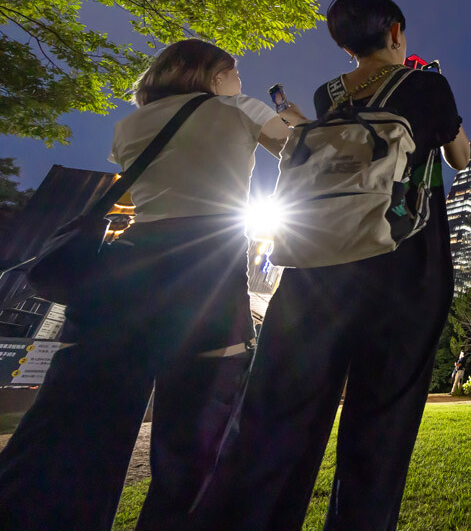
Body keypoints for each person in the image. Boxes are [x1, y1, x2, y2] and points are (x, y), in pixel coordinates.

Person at [0, 39, 301, 531]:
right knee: (196, 453)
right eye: (235, 72)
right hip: (207, 275)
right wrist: (290, 114)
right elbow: (304, 154)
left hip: (128, 278)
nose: (241, 81)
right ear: (213, 77)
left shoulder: (128, 126)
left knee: (74, 441)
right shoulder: (235, 107)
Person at [208, 0, 469, 531]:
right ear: (396, 31)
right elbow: (459, 157)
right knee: (381, 424)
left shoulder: (329, 95)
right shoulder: (428, 84)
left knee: (283, 416)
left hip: (318, 264)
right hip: (405, 261)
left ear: (344, 42)